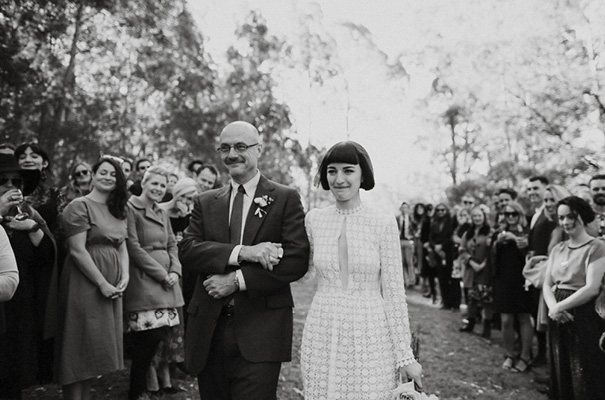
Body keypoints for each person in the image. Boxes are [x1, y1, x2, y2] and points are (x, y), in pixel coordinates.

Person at [178, 121, 309, 399]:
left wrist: (237, 280)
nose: (232, 154)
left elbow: (296, 260)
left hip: (262, 329)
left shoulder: (284, 198)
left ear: (258, 149)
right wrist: (243, 252)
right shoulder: (205, 201)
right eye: (225, 148)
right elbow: (188, 250)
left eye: (240, 146)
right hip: (209, 330)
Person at [301, 141, 422, 399]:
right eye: (332, 171)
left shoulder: (382, 222)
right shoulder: (314, 220)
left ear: (362, 174)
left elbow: (394, 293)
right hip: (322, 328)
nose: (339, 179)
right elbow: (304, 272)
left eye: (348, 170)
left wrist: (405, 356)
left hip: (370, 329)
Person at [56, 156, 129, 400]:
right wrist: (102, 283)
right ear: (93, 175)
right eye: (103, 172)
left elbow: (122, 246)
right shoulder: (79, 206)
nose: (108, 177)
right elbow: (77, 250)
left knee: (92, 348)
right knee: (78, 343)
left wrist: (125, 275)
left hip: (112, 283)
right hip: (85, 280)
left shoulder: (119, 209)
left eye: (114, 174)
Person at [124, 166, 184, 400]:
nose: (158, 188)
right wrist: (162, 274)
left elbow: (172, 244)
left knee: (158, 337)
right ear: (144, 183)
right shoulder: (130, 208)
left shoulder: (161, 211)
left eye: (162, 185)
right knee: (146, 339)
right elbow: (133, 247)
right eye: (154, 183)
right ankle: (136, 391)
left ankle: (140, 390)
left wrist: (176, 271)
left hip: (167, 280)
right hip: (144, 280)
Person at [0, 153, 58, 398]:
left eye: (16, 181)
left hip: (23, 302)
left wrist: (32, 227)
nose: (10, 186)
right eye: (3, 180)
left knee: (16, 370)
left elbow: (48, 256)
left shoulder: (29, 213)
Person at [542, 196, 605, 399]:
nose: (566, 222)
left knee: (584, 371)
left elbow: (592, 288)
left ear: (582, 216)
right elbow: (547, 284)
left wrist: (559, 307)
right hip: (557, 315)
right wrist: (553, 308)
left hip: (583, 314)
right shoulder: (558, 249)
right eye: (561, 218)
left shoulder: (596, 247)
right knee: (561, 367)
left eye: (571, 216)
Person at [491, 201, 533, 372]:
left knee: (524, 318)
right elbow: (493, 257)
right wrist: (497, 242)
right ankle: (509, 354)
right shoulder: (499, 232)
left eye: (513, 214)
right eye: (507, 214)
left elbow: (529, 256)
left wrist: (515, 239)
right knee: (506, 320)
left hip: (522, 280)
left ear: (519, 214)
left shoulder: (527, 232)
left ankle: (525, 357)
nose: (510, 217)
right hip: (503, 280)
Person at [458, 206, 493, 338]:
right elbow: (462, 250)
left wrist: (483, 264)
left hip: (485, 271)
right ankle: (470, 323)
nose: (477, 218)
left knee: (486, 299)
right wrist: (471, 262)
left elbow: (493, 250)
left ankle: (487, 327)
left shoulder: (490, 232)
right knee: (471, 298)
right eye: (475, 216)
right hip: (471, 270)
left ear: (484, 217)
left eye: (479, 216)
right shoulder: (468, 233)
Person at [429, 203, 460, 310]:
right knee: (442, 279)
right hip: (438, 254)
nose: (440, 212)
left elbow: (451, 237)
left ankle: (454, 303)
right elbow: (430, 238)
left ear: (446, 211)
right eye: (438, 210)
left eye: (442, 210)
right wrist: (435, 247)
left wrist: (442, 246)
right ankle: (445, 302)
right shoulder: (434, 223)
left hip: (449, 253)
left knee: (452, 278)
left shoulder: (451, 223)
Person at [397, 202, 416, 287]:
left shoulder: (411, 218)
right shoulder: (398, 218)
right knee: (402, 261)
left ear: (408, 209)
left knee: (409, 261)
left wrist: (413, 238)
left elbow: (416, 229)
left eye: (406, 207)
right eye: (403, 207)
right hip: (400, 241)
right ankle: (405, 280)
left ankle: (412, 281)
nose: (404, 209)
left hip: (408, 240)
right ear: (400, 209)